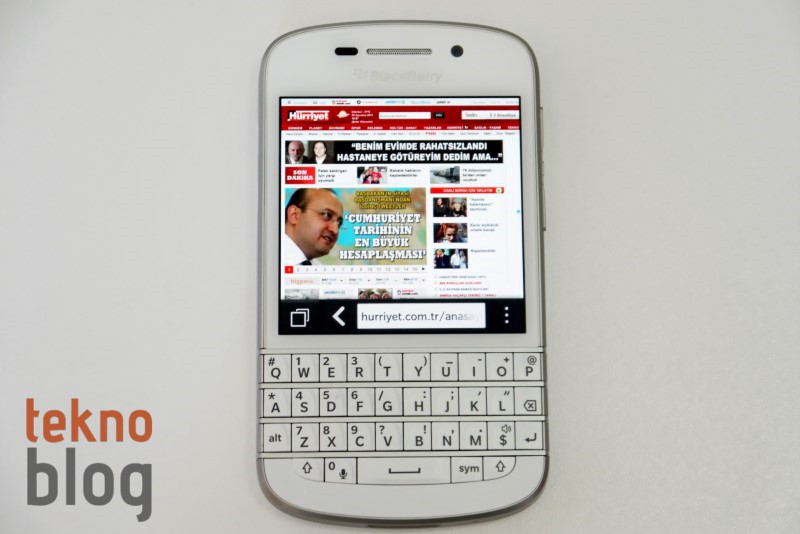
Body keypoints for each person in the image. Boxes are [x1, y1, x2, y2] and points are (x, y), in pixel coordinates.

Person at [284, 188, 343, 265]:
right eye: (327, 215)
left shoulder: (320, 268)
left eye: (339, 223)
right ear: (294, 215)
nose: (335, 230)